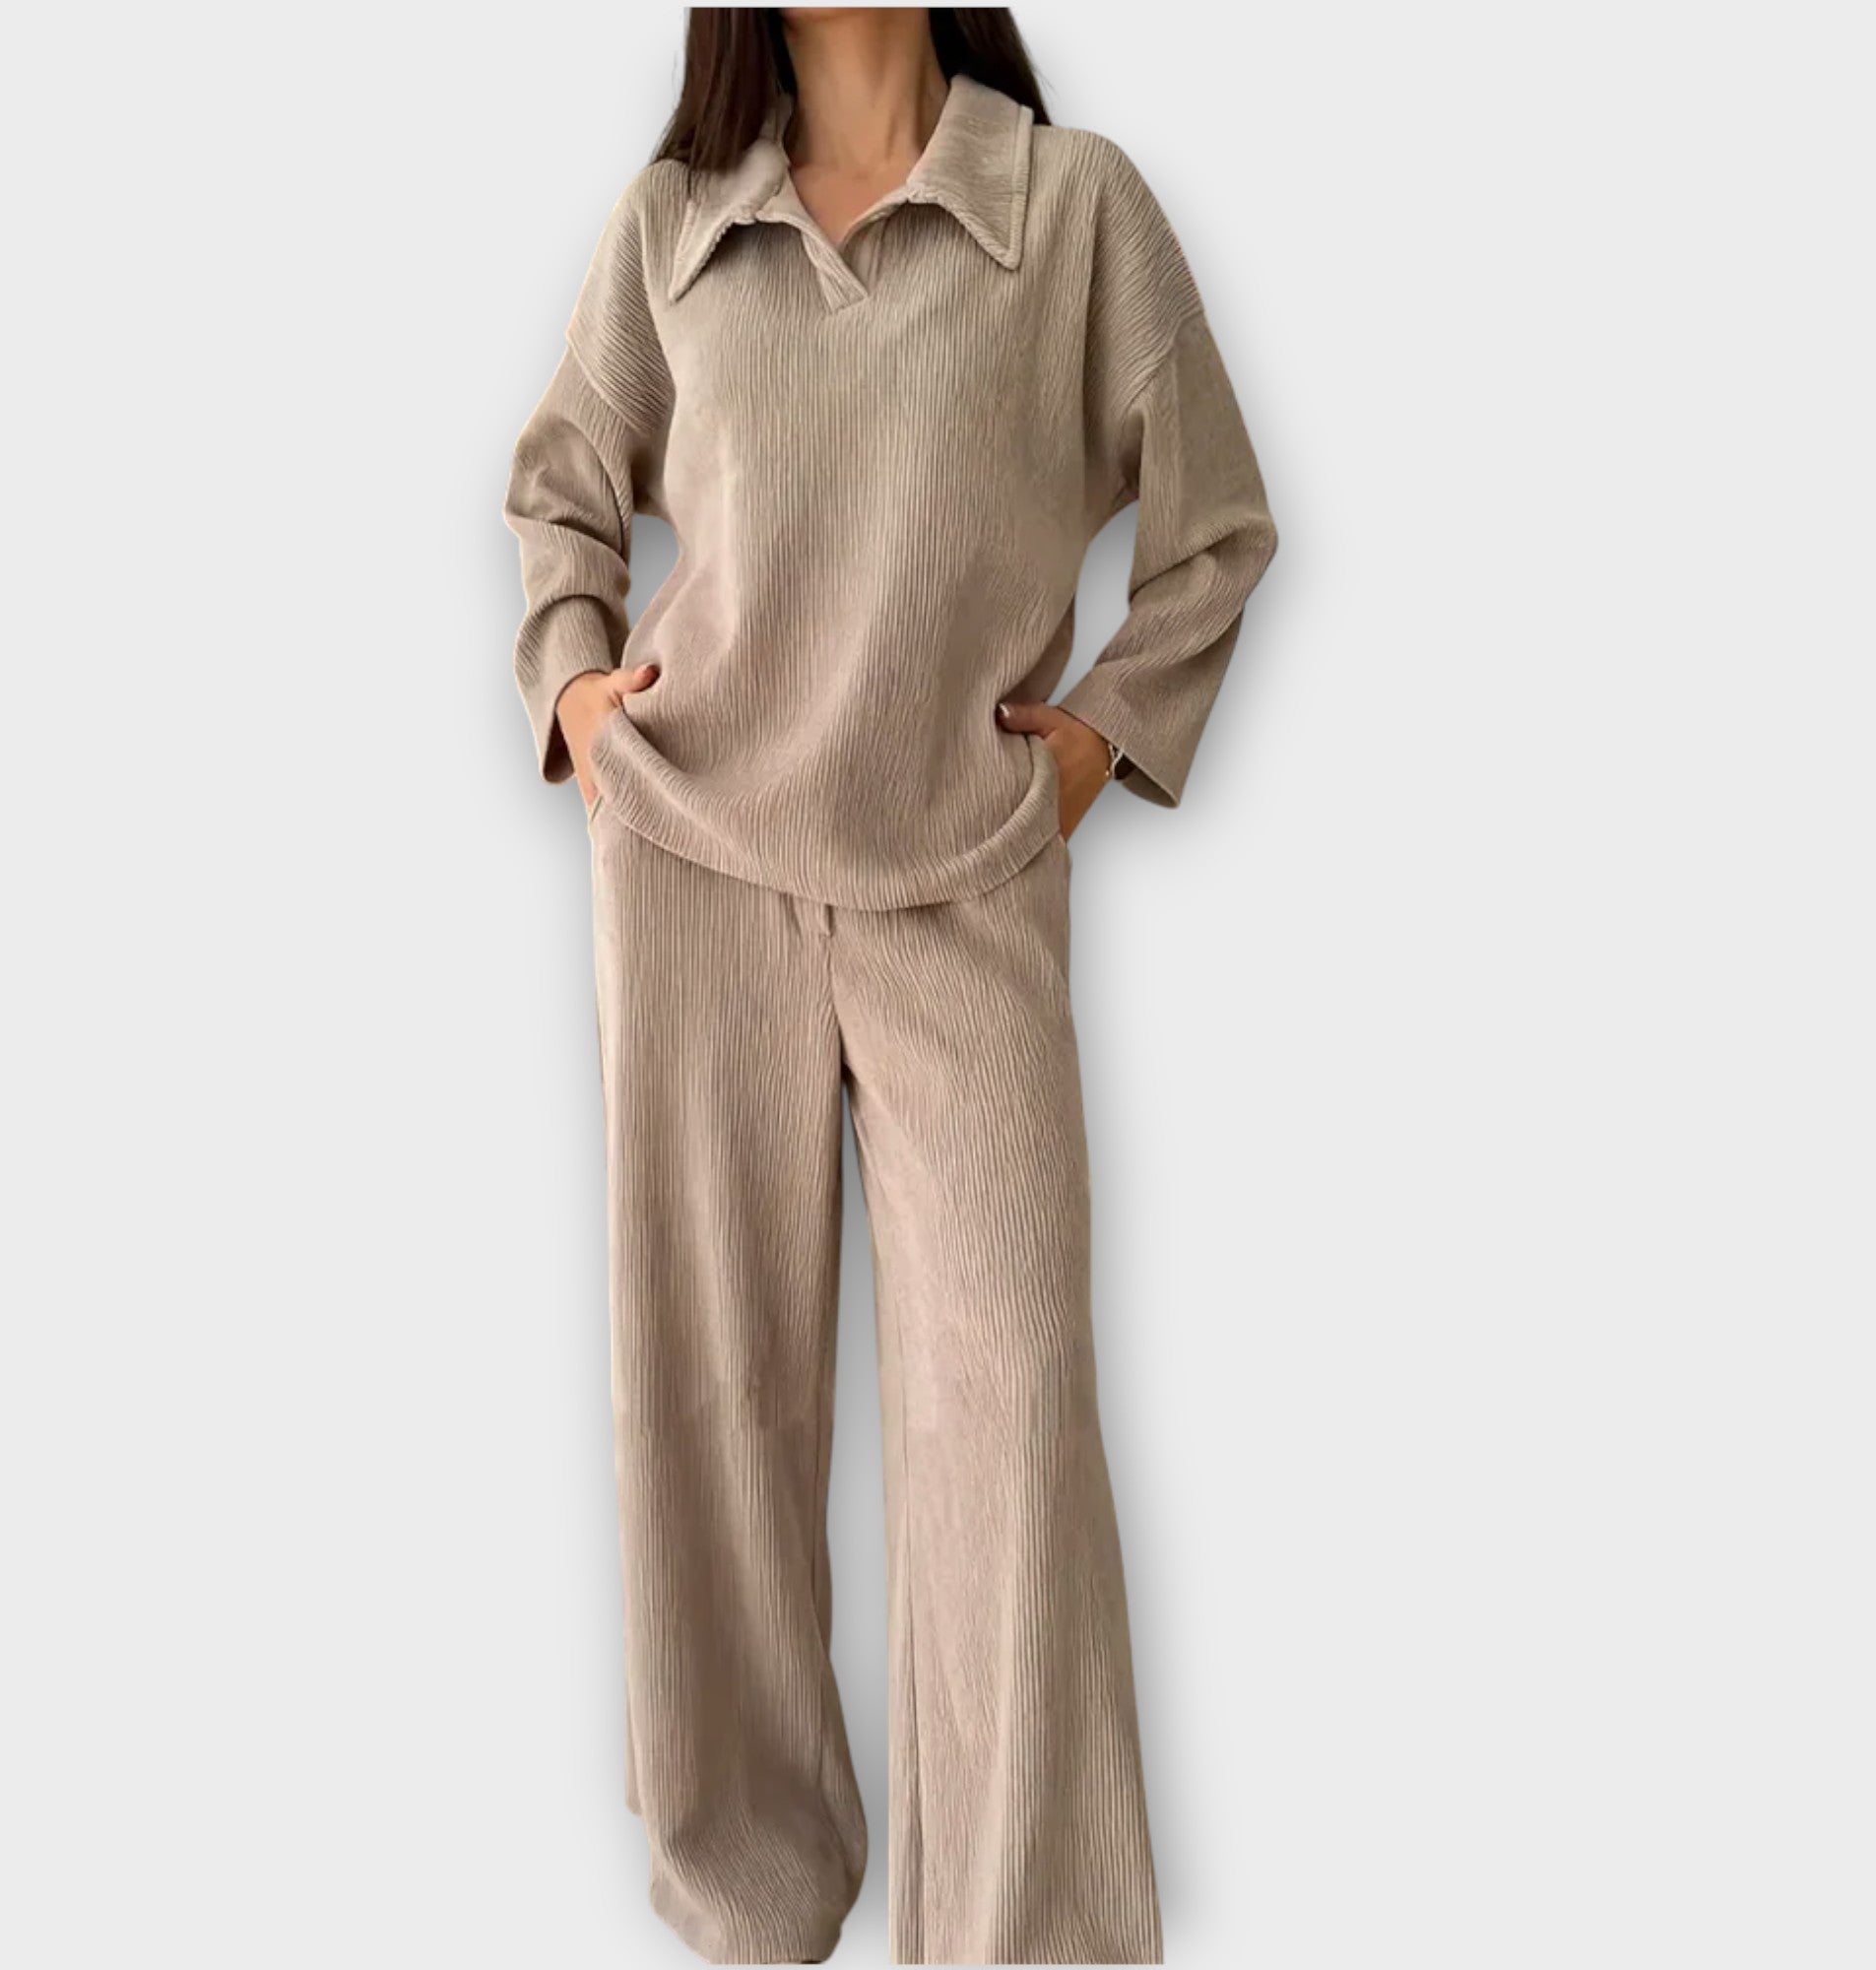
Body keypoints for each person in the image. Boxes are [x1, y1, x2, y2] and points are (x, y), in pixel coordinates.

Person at [501, 8, 1277, 1962]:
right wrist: (574, 684)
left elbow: (1216, 527)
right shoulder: (674, 223)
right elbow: (563, 485)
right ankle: (750, 1893)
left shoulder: (1071, 211)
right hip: (693, 863)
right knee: (715, 1393)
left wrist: (1098, 741)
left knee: (1010, 1412)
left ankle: (1024, 1933)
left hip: (964, 879)